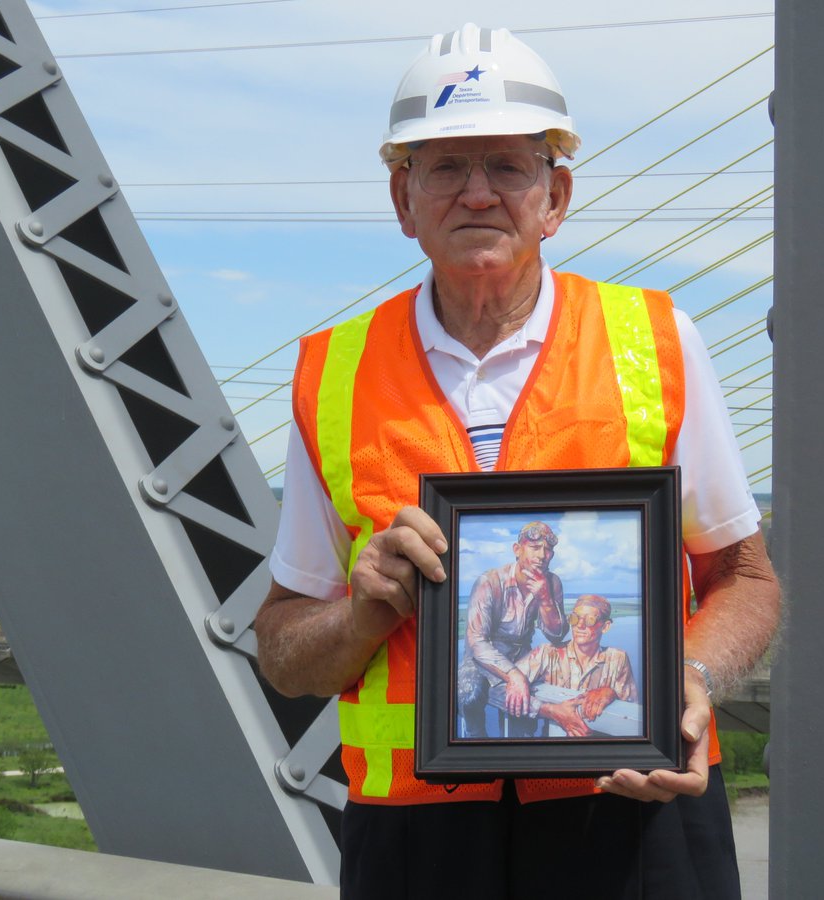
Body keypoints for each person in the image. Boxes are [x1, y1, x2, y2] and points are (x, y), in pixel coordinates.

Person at [255, 23, 781, 898]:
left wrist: (686, 682)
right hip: (416, 836)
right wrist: (359, 617)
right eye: (445, 167)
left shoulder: (656, 342)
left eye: (506, 166)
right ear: (403, 198)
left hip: (633, 811)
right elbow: (280, 648)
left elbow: (748, 580)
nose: (477, 194)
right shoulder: (332, 373)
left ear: (555, 195)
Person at [457, 521, 568, 738]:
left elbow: (557, 636)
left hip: (521, 653)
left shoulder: (553, 583)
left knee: (522, 715)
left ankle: (518, 751)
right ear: (517, 550)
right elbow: (476, 641)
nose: (542, 556)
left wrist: (545, 599)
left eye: (548, 550)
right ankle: (474, 744)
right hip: (484, 655)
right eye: (535, 548)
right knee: (470, 695)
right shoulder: (488, 581)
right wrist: (513, 675)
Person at [516, 594, 640, 738]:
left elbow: (632, 715)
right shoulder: (546, 653)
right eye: (575, 618)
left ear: (605, 627)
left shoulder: (617, 658)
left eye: (590, 620)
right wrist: (549, 710)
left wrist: (612, 693)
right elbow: (502, 687)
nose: (580, 625)